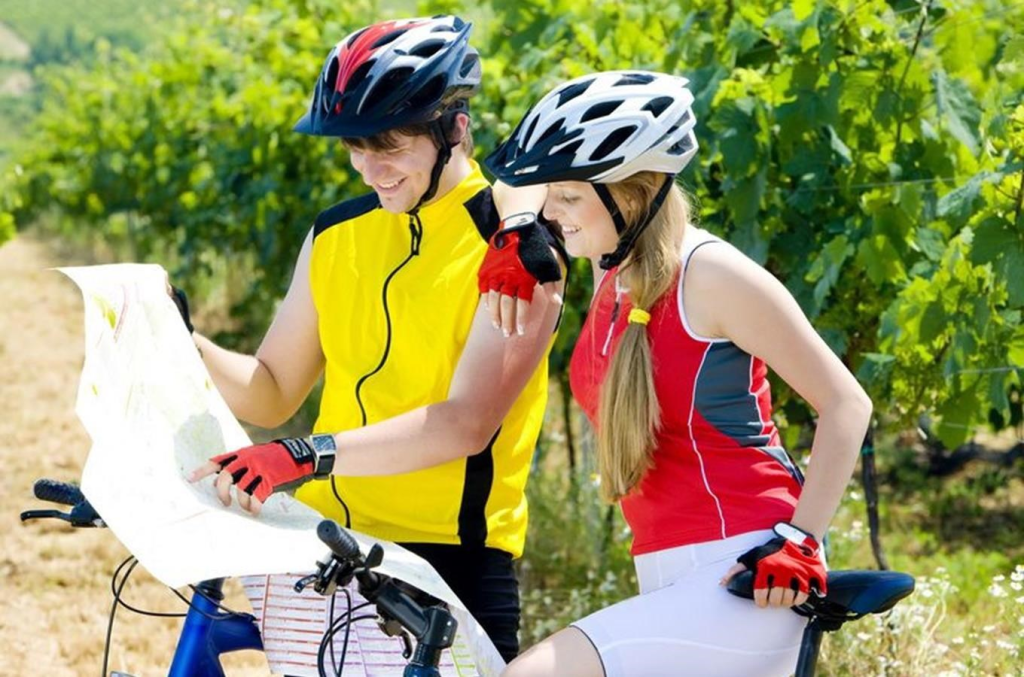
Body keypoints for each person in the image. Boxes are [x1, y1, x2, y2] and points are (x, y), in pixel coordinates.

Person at [182, 16, 566, 662]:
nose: (368, 169)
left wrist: (303, 455)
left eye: (387, 145)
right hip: (327, 546)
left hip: (447, 567)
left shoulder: (511, 249)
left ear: (454, 128)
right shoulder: (335, 234)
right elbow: (271, 391)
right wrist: (187, 338)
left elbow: (465, 425)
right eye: (354, 148)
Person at [477, 70, 872, 676]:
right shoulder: (611, 266)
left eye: (569, 197)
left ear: (633, 195)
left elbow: (847, 404)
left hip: (749, 572)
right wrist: (514, 230)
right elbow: (510, 185)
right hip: (668, 575)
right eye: (550, 194)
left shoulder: (711, 276)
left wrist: (801, 541)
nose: (550, 213)